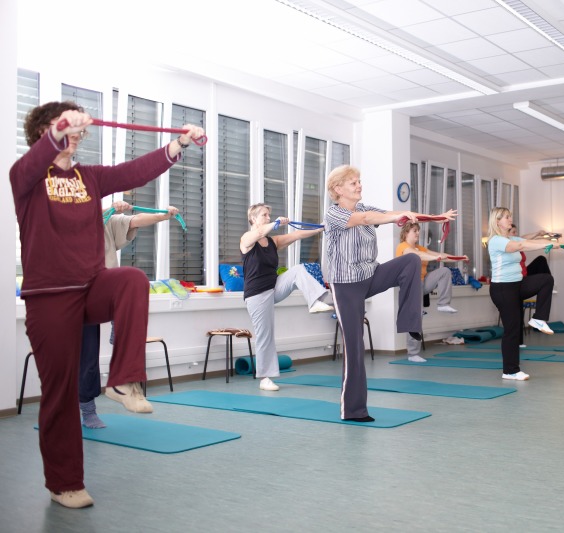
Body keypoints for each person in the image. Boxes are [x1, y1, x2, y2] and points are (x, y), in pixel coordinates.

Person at [11, 101, 204, 508]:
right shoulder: (26, 176)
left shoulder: (90, 178)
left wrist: (178, 145)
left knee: (132, 279)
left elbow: (132, 172)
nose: (75, 133)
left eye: (78, 127)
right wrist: (60, 129)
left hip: (90, 283)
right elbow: (35, 160)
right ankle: (64, 483)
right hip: (49, 296)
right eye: (63, 127)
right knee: (60, 392)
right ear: (44, 132)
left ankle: (121, 380)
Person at [324, 165, 455, 421]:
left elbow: (397, 214)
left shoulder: (364, 207)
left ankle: (410, 322)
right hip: (346, 285)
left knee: (411, 262)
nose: (359, 185)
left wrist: (435, 217)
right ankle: (353, 411)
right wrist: (394, 217)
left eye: (359, 181)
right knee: (354, 348)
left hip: (369, 275)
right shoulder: (334, 214)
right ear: (338, 189)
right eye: (353, 183)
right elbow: (366, 220)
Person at [79, 200, 181, 429]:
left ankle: (122, 377)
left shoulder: (105, 222)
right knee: (85, 358)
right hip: (71, 298)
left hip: (100, 293)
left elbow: (134, 220)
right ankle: (87, 410)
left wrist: (163, 216)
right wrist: (108, 209)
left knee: (131, 282)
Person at [241, 203, 334, 391]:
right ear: (253, 219)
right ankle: (265, 378)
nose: (268, 217)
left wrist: (321, 227)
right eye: (264, 215)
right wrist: (275, 223)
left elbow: (297, 235)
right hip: (257, 295)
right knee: (265, 336)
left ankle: (315, 301)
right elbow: (257, 234)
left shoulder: (272, 242)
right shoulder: (246, 239)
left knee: (298, 270)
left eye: (269, 215)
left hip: (274, 286)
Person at [487, 207, 559, 381]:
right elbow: (521, 245)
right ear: (497, 221)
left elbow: (527, 241)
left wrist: (555, 242)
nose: (510, 219)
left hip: (517, 284)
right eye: (506, 217)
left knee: (546, 279)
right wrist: (546, 244)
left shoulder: (510, 237)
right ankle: (510, 370)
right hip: (502, 289)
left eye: (510, 216)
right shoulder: (496, 240)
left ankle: (538, 318)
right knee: (512, 329)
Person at [395, 221, 466, 362]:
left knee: (444, 271)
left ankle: (443, 303)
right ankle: (413, 354)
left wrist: (460, 258)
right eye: (414, 230)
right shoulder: (403, 247)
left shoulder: (420, 248)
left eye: (418, 230)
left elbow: (441, 255)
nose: (417, 233)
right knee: (416, 318)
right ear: (406, 233)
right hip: (410, 286)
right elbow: (416, 256)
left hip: (422, 282)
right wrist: (435, 257)